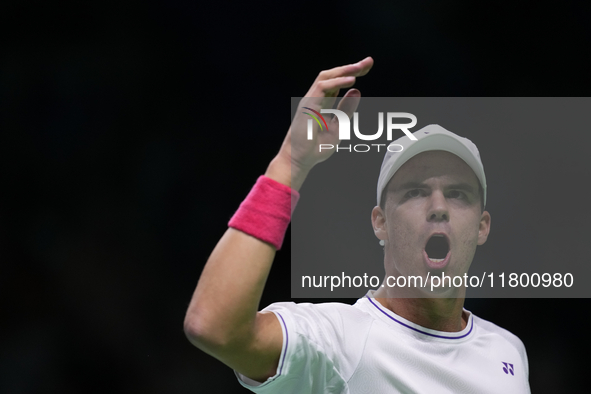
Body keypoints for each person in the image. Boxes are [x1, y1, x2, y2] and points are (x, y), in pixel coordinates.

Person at [183, 57, 530, 393]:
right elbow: (214, 326)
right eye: (415, 192)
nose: (438, 207)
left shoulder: (507, 350)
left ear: (482, 226)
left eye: (457, 194)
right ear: (380, 223)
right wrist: (290, 162)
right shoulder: (338, 342)